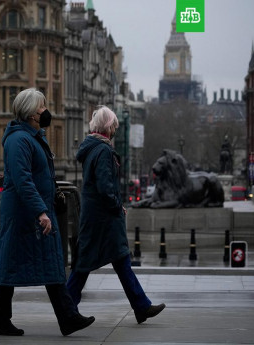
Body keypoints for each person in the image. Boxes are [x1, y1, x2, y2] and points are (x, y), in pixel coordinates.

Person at [0, 88, 95, 336]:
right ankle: (1, 320)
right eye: (41, 106)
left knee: (50, 262)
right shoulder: (19, 140)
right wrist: (40, 211)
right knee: (11, 265)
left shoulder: (34, 137)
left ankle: (66, 317)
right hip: (23, 215)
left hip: (36, 211)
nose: (45, 110)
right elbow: (22, 180)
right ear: (30, 113)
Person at [66, 106, 165, 324]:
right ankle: (67, 310)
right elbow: (105, 185)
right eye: (114, 126)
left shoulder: (92, 148)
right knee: (83, 265)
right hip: (103, 219)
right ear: (108, 126)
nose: (115, 130)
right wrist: (116, 205)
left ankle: (141, 306)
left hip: (97, 217)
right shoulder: (103, 151)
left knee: (120, 260)